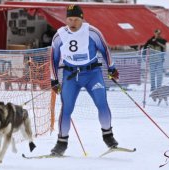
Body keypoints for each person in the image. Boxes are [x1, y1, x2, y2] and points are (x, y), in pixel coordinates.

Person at [50, 5, 119, 156]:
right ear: (66, 19)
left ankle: (108, 135)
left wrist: (112, 68)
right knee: (66, 109)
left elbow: (105, 50)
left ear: (82, 18)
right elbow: (53, 59)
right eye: (69, 19)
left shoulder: (92, 32)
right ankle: (61, 143)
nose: (72, 23)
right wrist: (54, 80)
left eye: (76, 19)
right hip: (71, 77)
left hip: (92, 74)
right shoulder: (59, 35)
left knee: (102, 103)